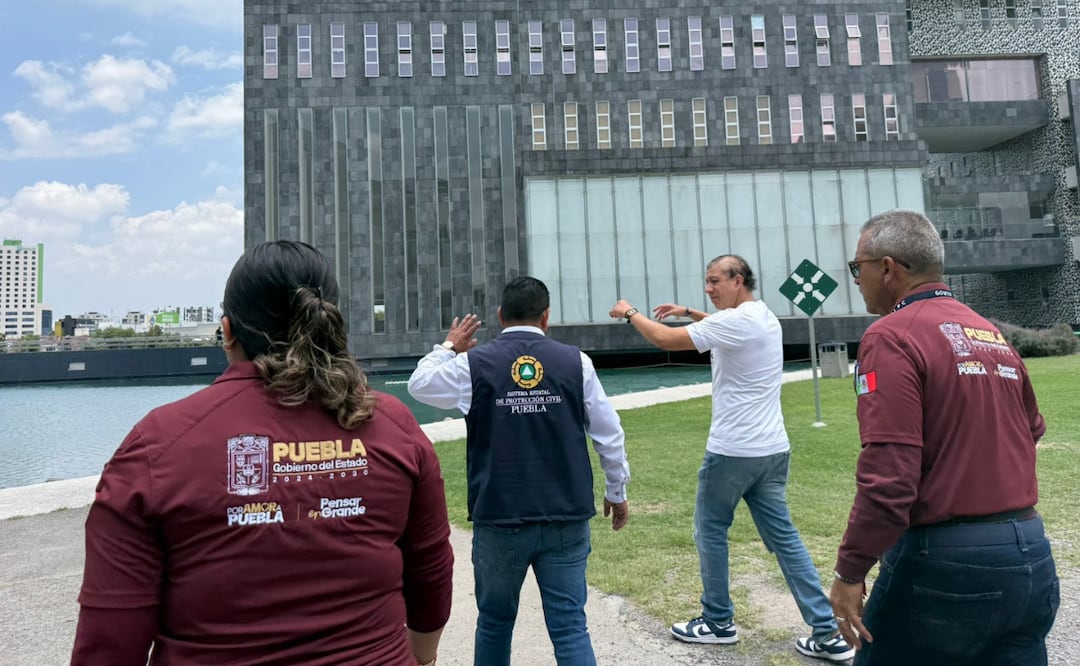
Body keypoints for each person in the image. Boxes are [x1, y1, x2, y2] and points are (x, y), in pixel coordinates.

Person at [72, 240, 453, 665]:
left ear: (228, 330)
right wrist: (422, 657)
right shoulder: (392, 424)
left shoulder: (158, 445)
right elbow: (431, 571)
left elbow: (108, 642)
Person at [831, 210, 1058, 664]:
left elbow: (890, 477)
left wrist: (850, 571)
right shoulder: (989, 333)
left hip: (944, 562)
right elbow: (1032, 428)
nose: (857, 279)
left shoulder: (890, 337)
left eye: (859, 268)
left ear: (889, 268)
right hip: (1029, 553)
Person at [608, 255, 852, 662]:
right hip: (772, 452)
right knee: (786, 540)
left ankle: (718, 622)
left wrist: (629, 311)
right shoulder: (760, 316)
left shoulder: (736, 323)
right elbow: (721, 325)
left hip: (732, 453)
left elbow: (667, 341)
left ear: (738, 280)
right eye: (706, 281)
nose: (709, 287)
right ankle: (827, 632)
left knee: (710, 532)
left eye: (715, 281)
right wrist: (687, 311)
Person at [407, 276, 630, 666]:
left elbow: (419, 385)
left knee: (494, 622)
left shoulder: (473, 365)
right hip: (565, 513)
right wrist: (617, 489)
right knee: (570, 626)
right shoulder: (576, 361)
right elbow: (608, 434)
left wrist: (447, 347)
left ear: (499, 315)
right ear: (546, 316)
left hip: (500, 516)